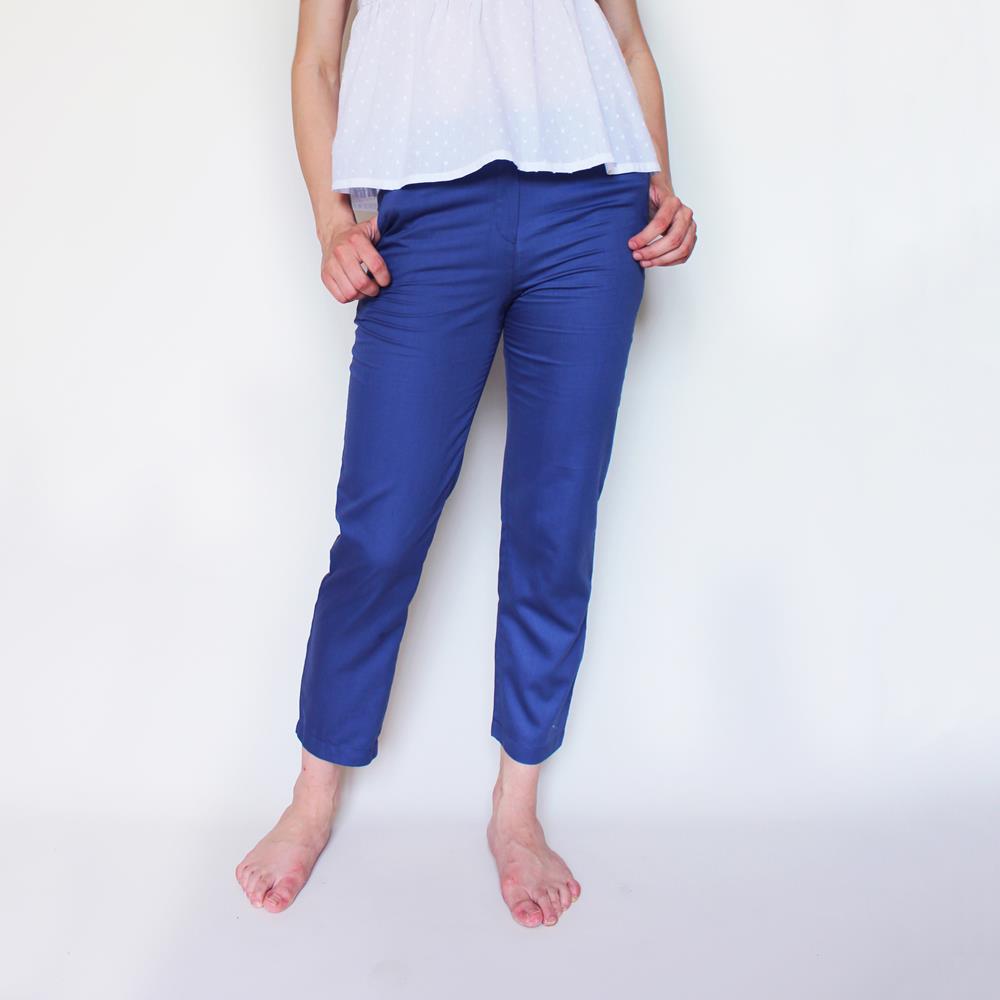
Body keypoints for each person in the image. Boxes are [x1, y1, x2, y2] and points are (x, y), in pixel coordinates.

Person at [236, 0, 696, 929]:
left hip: (594, 207)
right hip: (425, 210)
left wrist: (663, 184)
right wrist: (330, 221)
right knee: (381, 526)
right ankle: (313, 796)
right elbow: (316, 60)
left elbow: (628, 43)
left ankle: (516, 808)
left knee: (555, 520)